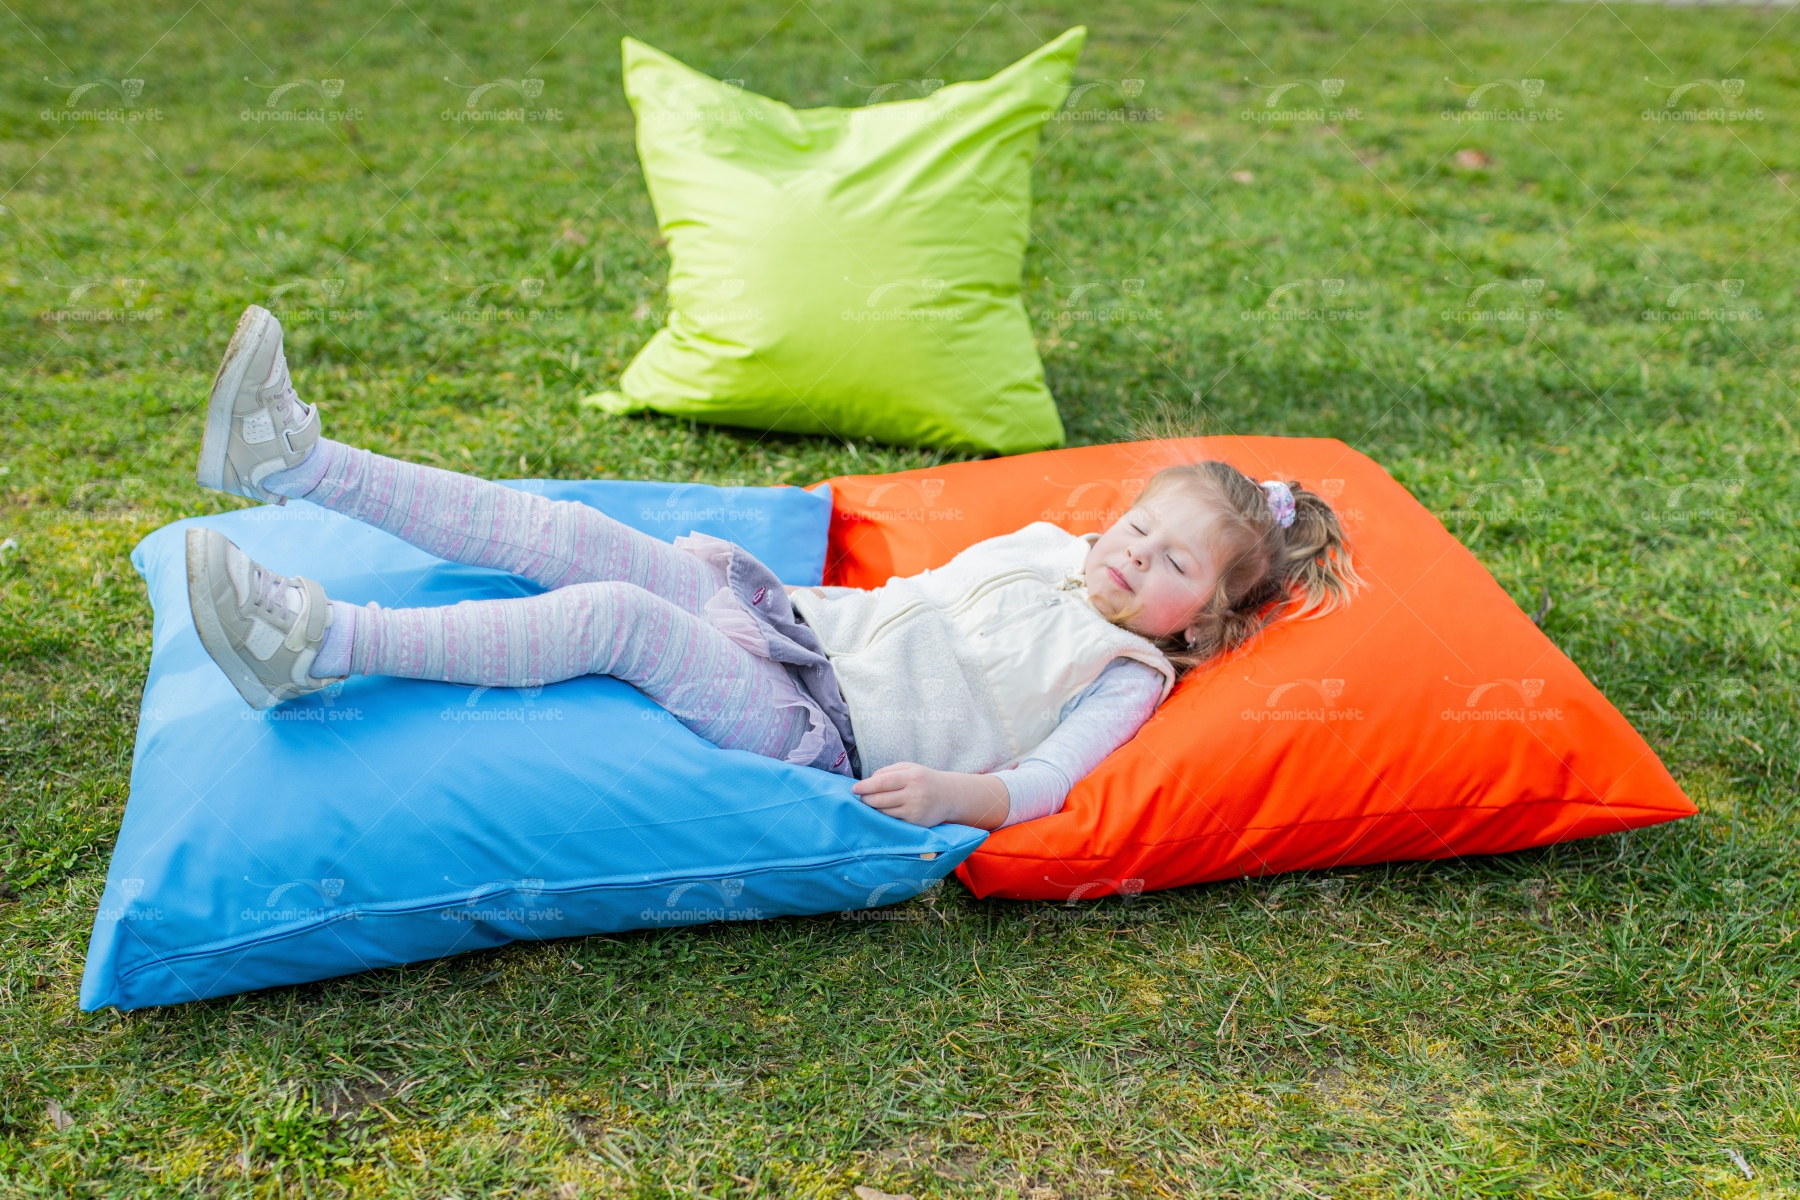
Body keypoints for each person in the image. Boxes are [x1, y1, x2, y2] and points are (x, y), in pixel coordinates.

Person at [186, 306, 1361, 833]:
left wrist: (959, 797)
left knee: (616, 618)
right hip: (788, 622)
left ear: (1201, 623)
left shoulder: (1125, 674)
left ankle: (318, 644)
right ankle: (297, 462)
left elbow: (1050, 780)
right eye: (1139, 527)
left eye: (1173, 564)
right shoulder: (1056, 549)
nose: (1135, 553)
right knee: (566, 531)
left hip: (813, 724)